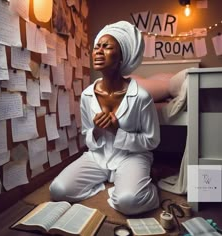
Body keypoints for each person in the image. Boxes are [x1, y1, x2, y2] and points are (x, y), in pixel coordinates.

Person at [50, 20, 160, 215]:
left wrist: (117, 131)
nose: (98, 52)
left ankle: (148, 183)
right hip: (98, 157)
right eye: (96, 47)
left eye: (106, 47)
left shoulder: (141, 97)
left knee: (129, 201)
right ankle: (114, 180)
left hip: (131, 157)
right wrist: (98, 131)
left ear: (122, 57)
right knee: (58, 190)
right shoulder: (86, 95)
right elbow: (88, 136)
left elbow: (152, 140)